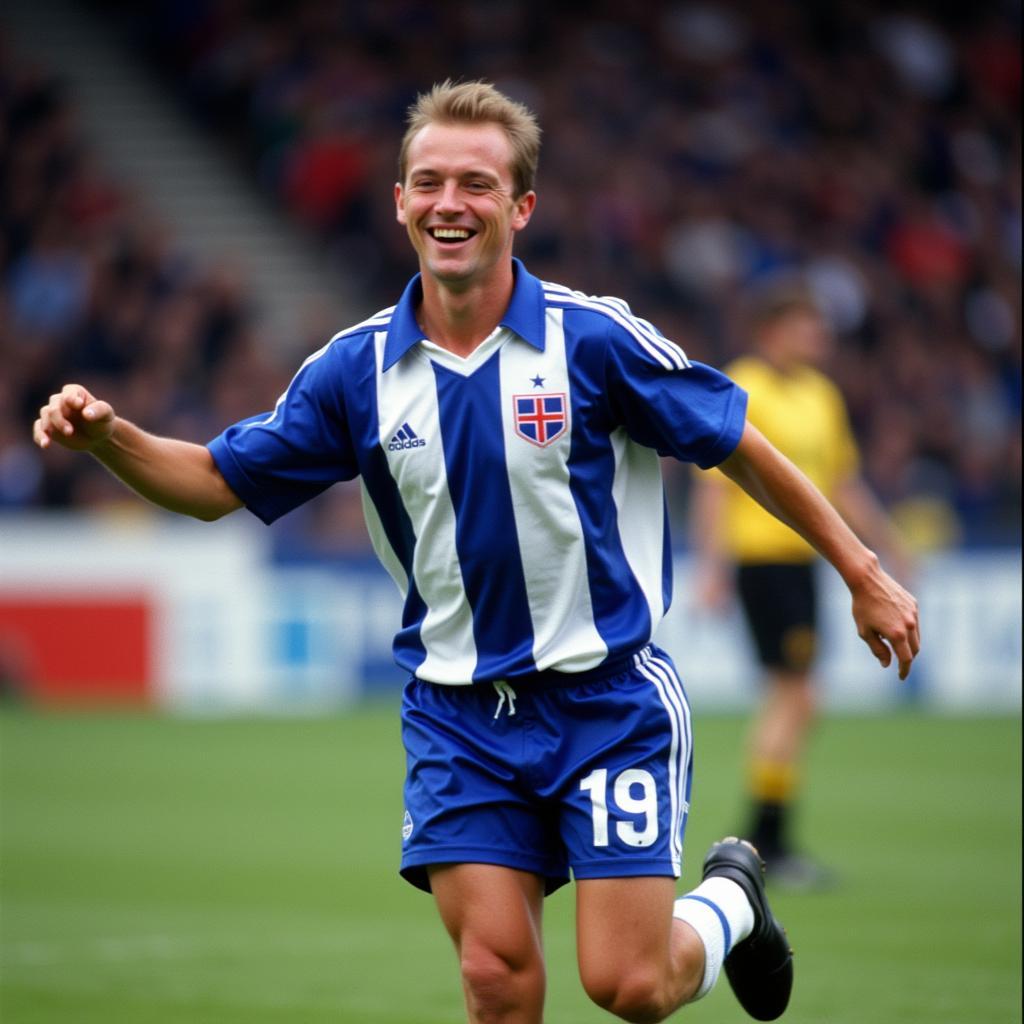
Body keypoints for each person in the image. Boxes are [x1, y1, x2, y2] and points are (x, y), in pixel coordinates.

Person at [34, 81, 919, 1024]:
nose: (449, 202)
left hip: (605, 701)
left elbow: (739, 443)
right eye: (428, 182)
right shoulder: (355, 369)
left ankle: (734, 897)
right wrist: (109, 438)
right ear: (400, 202)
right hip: (458, 718)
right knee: (497, 982)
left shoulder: (593, 340)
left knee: (629, 986)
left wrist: (862, 572)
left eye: (476, 183)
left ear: (520, 206)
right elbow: (214, 482)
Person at [691, 287, 913, 889]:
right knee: (793, 695)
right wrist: (710, 567)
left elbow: (839, 484)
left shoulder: (821, 396)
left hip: (807, 564)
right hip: (764, 563)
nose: (818, 338)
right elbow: (713, 483)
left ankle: (768, 833)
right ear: (772, 328)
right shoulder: (743, 384)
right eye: (806, 325)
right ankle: (765, 840)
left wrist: (886, 546)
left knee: (799, 698)